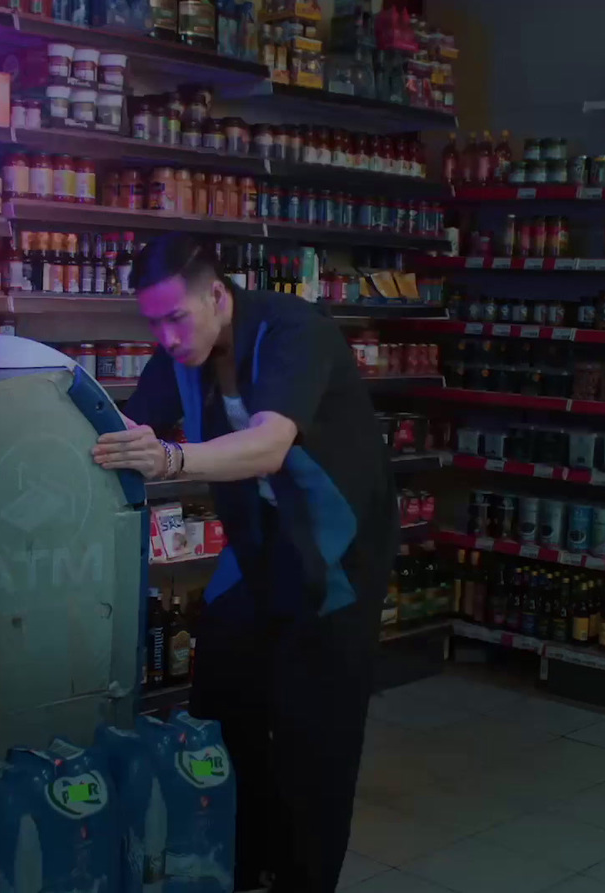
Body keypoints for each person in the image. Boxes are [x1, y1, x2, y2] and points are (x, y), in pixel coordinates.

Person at [90, 233, 396, 892]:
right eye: (153, 321)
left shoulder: (293, 331)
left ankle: (303, 878)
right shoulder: (181, 353)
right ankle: (248, 858)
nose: (167, 336)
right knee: (220, 704)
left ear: (218, 295)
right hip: (258, 550)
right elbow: (126, 423)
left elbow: (267, 447)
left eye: (177, 317)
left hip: (334, 558)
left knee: (316, 740)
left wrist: (170, 459)